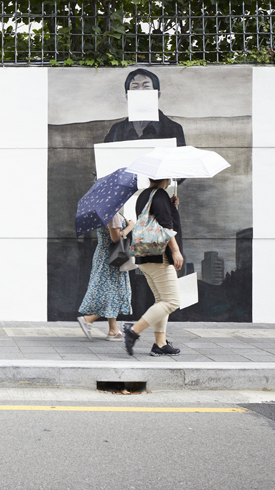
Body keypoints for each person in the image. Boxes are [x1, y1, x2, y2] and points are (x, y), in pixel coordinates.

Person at [123, 178, 184, 356]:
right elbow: (165, 226)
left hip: (145, 255)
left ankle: (160, 344)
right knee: (172, 301)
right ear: (165, 178)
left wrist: (172, 207)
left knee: (161, 300)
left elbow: (155, 221)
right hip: (160, 256)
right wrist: (176, 251)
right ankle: (133, 330)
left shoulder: (144, 195)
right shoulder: (160, 195)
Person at [76, 212, 135, 341]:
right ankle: (88, 319)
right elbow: (115, 238)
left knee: (112, 290)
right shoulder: (112, 214)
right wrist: (130, 226)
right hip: (111, 257)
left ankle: (113, 329)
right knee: (114, 292)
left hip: (108, 255)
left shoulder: (112, 212)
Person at [103, 69, 186, 146]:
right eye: (135, 87)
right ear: (127, 96)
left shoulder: (173, 128)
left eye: (146, 86)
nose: (141, 91)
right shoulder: (117, 130)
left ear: (157, 94)